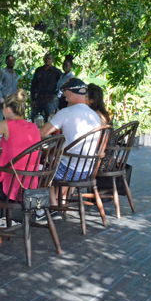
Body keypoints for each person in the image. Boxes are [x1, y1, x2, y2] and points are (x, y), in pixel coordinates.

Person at [0, 90, 41, 245]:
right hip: (29, 185)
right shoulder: (33, 127)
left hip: (11, 187)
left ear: (7, 110)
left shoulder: (7, 125)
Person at [39, 78, 101, 210]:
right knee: (61, 162)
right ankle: (60, 202)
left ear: (71, 93)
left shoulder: (66, 112)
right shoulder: (94, 116)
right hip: (88, 170)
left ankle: (53, 207)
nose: (65, 99)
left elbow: (41, 134)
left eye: (66, 96)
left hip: (69, 171)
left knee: (40, 170)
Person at [30, 53, 62, 121]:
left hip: (50, 99)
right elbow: (33, 86)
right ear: (44, 60)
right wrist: (33, 99)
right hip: (39, 98)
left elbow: (62, 85)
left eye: (49, 59)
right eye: (46, 58)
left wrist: (55, 95)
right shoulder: (38, 70)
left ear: (52, 60)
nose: (47, 60)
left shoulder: (57, 72)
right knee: (34, 118)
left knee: (50, 119)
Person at [0, 55, 18, 122]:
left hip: (12, 100)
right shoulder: (3, 72)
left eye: (13, 61)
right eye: (9, 61)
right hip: (4, 99)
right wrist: (1, 99)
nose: (11, 62)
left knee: (11, 122)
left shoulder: (14, 73)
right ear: (6, 62)